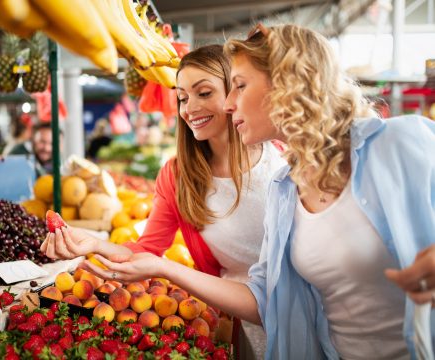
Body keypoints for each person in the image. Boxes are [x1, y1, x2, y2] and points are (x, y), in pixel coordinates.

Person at [82, 24, 435, 360]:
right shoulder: (285, 190)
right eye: (184, 97)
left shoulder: (400, 143)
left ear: (286, 84)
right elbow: (265, 297)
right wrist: (160, 267)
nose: (228, 103)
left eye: (239, 86)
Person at [41, 44, 285, 281]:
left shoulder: (282, 154)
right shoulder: (177, 176)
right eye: (182, 97)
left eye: (204, 93)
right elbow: (147, 250)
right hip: (243, 315)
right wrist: (93, 244)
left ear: (234, 92)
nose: (189, 108)